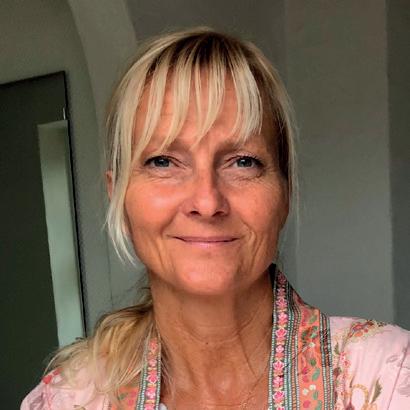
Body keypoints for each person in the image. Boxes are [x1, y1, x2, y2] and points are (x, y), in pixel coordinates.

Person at [22, 27, 409, 410]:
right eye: (163, 161)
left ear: (284, 192)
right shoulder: (68, 399)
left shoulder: (389, 376)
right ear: (118, 195)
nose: (207, 202)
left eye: (243, 162)